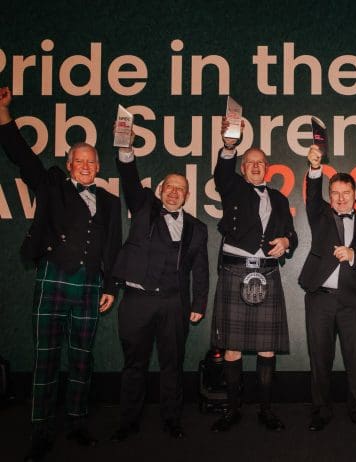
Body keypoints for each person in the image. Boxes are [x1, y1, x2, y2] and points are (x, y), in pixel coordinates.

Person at [0, 87, 122, 461]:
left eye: (91, 161)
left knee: (82, 357)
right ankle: (41, 430)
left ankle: (77, 422)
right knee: (46, 357)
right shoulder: (51, 185)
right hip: (53, 279)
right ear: (69, 165)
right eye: (78, 160)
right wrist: (3, 113)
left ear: (98, 167)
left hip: (90, 286)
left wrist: (110, 286)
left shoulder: (110, 202)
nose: (85, 165)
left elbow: (113, 248)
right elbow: (22, 155)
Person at [110, 131, 208, 441]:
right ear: (160, 190)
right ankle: (128, 422)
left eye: (181, 189)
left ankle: (172, 420)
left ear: (186, 196)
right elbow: (129, 178)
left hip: (174, 303)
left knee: (172, 365)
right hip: (137, 301)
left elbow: (200, 269)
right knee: (134, 365)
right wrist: (126, 148)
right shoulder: (143, 207)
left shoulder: (197, 228)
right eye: (170, 187)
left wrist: (199, 303)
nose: (174, 192)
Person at [210, 119, 297, 432]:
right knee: (232, 347)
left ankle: (266, 410)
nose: (256, 166)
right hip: (235, 270)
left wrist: (286, 241)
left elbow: (292, 235)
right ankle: (232, 409)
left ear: (267, 169)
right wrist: (229, 145)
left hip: (268, 271)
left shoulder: (280, 199)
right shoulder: (232, 187)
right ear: (243, 169)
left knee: (266, 347)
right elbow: (222, 172)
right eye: (250, 163)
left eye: (261, 163)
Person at [298, 145, 356, 431]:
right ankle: (320, 411)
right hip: (320, 300)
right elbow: (312, 193)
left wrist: (354, 255)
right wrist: (315, 167)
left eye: (346, 193)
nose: (341, 198)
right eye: (335, 193)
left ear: (355, 195)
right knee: (320, 359)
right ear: (330, 196)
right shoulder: (319, 214)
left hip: (353, 302)